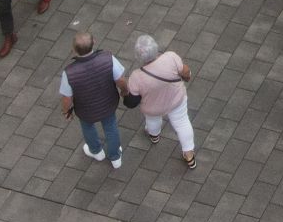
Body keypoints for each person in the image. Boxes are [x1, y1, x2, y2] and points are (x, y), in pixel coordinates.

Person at [58, 32, 131, 169]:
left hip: (85, 110)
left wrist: (66, 111)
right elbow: (120, 80)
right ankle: (115, 157)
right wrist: (124, 91)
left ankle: (96, 151)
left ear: (73, 49)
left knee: (88, 127)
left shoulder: (69, 73)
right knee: (111, 127)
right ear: (94, 42)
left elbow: (67, 98)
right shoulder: (108, 59)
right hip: (108, 103)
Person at [125, 34, 197, 169]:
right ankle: (189, 155)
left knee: (152, 121)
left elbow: (132, 101)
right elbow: (186, 71)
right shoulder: (170, 57)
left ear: (138, 56)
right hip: (176, 99)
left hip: (153, 108)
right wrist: (188, 76)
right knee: (182, 123)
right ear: (156, 48)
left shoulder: (136, 76)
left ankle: (154, 136)